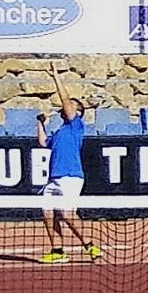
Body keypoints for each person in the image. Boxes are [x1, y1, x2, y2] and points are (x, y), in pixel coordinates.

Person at [36, 62, 102, 264]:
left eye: (72, 105)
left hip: (70, 176)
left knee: (67, 214)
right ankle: (57, 250)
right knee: (48, 213)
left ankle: (90, 246)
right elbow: (42, 142)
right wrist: (40, 123)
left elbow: (65, 100)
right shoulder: (59, 133)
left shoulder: (76, 126)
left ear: (78, 112)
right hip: (53, 178)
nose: (67, 106)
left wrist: (56, 77)